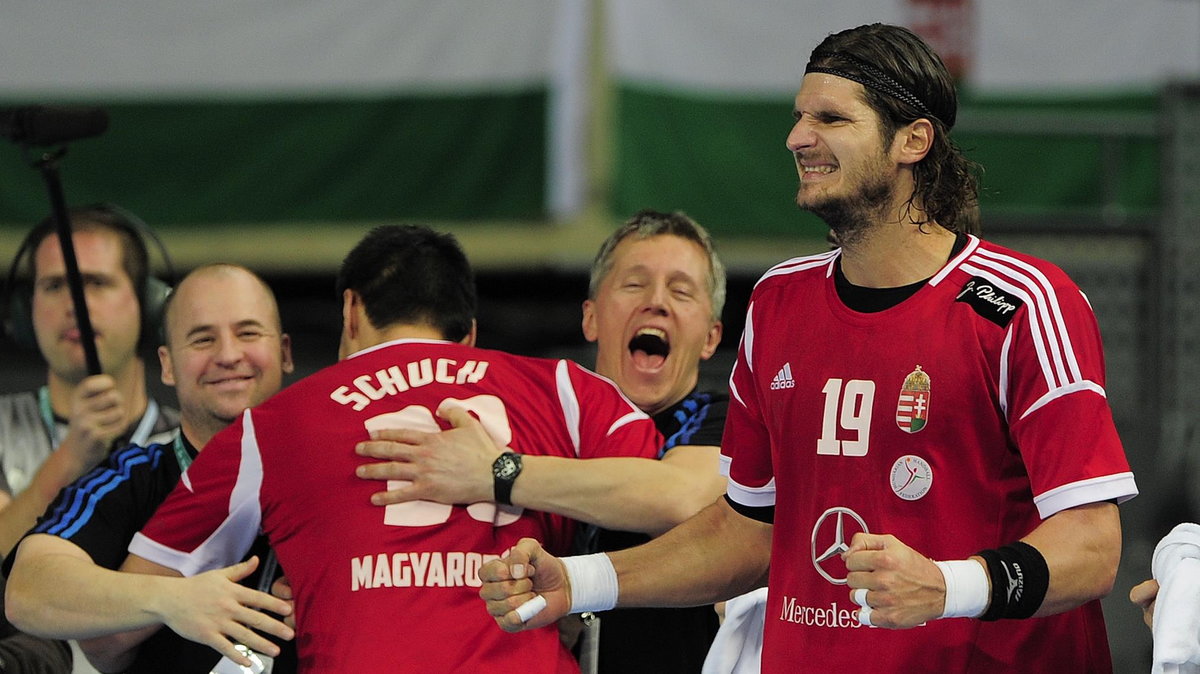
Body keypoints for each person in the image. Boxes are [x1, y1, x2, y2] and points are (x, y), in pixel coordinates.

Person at [480, 23, 1138, 674]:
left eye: (830, 118)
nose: (798, 138)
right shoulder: (778, 303)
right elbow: (749, 531)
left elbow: (1092, 546)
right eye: (799, 117)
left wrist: (949, 587)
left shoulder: (1023, 303)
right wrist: (581, 579)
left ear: (913, 141)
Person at [117, 225, 663, 673]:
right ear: (466, 332)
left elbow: (119, 623)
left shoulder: (274, 424)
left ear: (351, 311)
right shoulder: (565, 390)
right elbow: (678, 503)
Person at [353, 210, 729, 672]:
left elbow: (683, 500)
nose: (656, 302)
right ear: (590, 319)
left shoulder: (723, 420)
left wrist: (500, 473)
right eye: (634, 284)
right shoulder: (534, 422)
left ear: (711, 338)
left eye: (681, 290)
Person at [4, 264, 298, 673]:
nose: (229, 355)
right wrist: (173, 600)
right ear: (168, 365)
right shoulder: (132, 475)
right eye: (202, 339)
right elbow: (28, 590)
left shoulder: (340, 471)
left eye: (248, 333)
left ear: (284, 352)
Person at [0, 205, 179, 556]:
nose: (74, 303)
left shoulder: (192, 443)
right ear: (26, 311)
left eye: (96, 282)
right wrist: (70, 460)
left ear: (148, 304)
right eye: (54, 286)